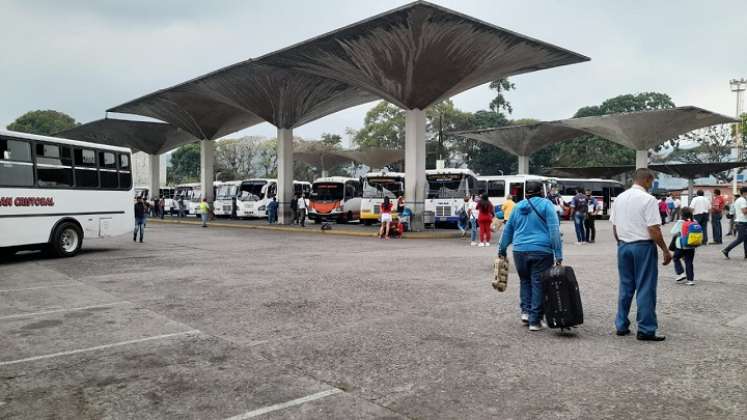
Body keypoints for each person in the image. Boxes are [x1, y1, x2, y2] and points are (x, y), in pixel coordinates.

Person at [610, 168, 672, 342]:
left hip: (623, 246)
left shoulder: (620, 198)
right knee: (645, 287)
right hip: (643, 247)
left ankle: (621, 324)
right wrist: (665, 250)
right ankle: (646, 329)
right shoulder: (648, 199)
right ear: (647, 180)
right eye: (651, 182)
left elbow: (614, 227)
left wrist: (621, 243)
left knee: (626, 286)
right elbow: (653, 229)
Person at [498, 180, 563, 332]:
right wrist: (558, 254)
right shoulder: (547, 205)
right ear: (541, 191)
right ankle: (535, 320)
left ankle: (526, 313)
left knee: (525, 281)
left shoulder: (518, 206)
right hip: (541, 251)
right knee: (538, 283)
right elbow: (554, 231)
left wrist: (502, 249)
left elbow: (508, 230)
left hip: (519, 250)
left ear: (526, 192)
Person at [670, 207, 698, 286]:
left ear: (682, 214)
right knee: (689, 262)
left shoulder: (680, 222)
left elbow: (673, 232)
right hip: (692, 245)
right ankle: (690, 280)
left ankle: (681, 273)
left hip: (681, 245)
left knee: (675, 258)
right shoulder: (695, 221)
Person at [722, 186, 747, 259]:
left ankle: (746, 255)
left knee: (746, 239)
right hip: (742, 222)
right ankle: (726, 250)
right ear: (745, 193)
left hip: (741, 221)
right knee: (740, 239)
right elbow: (744, 211)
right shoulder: (743, 200)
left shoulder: (739, 200)